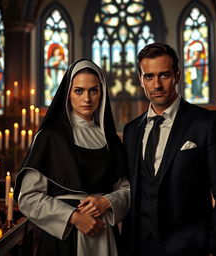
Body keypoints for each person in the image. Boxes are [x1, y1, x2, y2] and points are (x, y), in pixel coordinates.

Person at [121, 42, 216, 256]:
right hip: (138, 248)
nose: (156, 84)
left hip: (191, 248)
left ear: (177, 75)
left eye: (164, 75)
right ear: (140, 79)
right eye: (149, 76)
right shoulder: (131, 131)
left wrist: (214, 248)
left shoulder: (207, 123)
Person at [14, 59, 130, 256]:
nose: (87, 98)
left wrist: (108, 202)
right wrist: (73, 217)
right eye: (79, 91)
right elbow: (27, 197)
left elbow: (128, 189)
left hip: (104, 234)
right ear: (67, 93)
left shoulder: (111, 140)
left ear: (102, 94)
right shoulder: (50, 137)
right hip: (64, 236)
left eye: (93, 90)